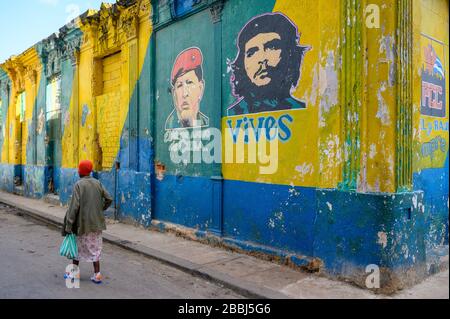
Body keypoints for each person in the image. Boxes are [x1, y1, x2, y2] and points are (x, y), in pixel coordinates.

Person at [227, 12, 311, 116]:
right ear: (242, 65)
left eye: (272, 47)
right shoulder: (233, 113)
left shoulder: (301, 111)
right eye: (251, 53)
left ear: (290, 54)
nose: (262, 58)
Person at [62, 159, 113, 284]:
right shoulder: (97, 183)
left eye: (79, 169)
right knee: (95, 249)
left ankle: (73, 275)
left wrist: (68, 225)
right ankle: (97, 274)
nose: (78, 171)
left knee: (77, 248)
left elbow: (74, 207)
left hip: (82, 224)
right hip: (96, 224)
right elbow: (109, 199)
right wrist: (100, 209)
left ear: (81, 171)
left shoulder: (79, 185)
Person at [165, 47, 209, 130]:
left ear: (201, 88)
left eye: (189, 83)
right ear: (174, 94)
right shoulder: (169, 126)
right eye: (179, 85)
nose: (184, 93)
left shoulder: (205, 123)